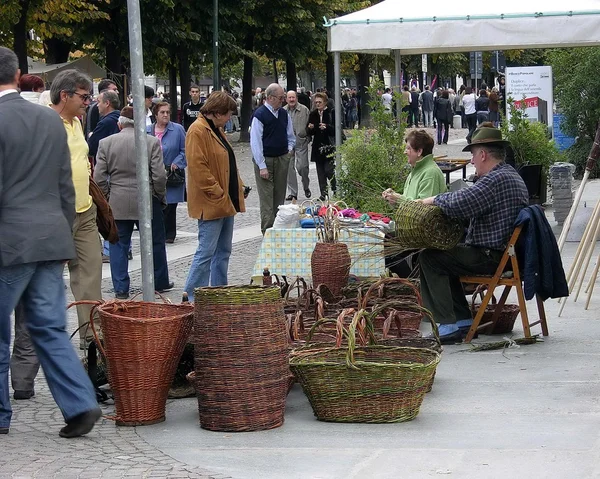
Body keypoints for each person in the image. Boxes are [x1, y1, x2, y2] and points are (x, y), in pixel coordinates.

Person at [0, 46, 101, 437]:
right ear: (19, 72)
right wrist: (58, 232)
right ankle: (79, 403)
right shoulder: (48, 121)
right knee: (49, 327)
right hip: (51, 236)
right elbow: (65, 186)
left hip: (11, 241)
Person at [418, 126, 529, 343]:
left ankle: (448, 324)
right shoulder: (509, 174)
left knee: (429, 257)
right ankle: (462, 321)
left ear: (483, 154)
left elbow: (463, 202)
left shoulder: (495, 180)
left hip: (491, 257)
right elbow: (471, 202)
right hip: (504, 255)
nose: (471, 162)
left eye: (472, 156)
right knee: (444, 255)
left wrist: (432, 200)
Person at [94, 106, 172, 298]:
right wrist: (159, 195)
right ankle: (159, 282)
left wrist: (107, 196)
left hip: (118, 200)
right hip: (146, 199)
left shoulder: (106, 143)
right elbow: (159, 175)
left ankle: (121, 288)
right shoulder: (151, 142)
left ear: (119, 124)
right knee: (155, 242)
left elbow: (99, 178)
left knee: (117, 244)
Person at [49, 69, 103, 350]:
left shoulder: (77, 123)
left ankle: (91, 336)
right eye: (83, 97)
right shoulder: (47, 123)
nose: (88, 102)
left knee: (91, 274)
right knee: (48, 280)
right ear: (64, 95)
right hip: (57, 213)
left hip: (85, 210)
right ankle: (49, 338)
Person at [183, 92, 247, 300]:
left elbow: (227, 162)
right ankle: (192, 297)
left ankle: (219, 293)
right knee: (206, 252)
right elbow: (197, 167)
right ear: (216, 113)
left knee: (223, 251)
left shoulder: (217, 129)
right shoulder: (197, 131)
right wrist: (217, 191)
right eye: (228, 114)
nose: (229, 118)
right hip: (212, 202)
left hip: (226, 201)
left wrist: (238, 186)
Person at [250, 83, 295, 233]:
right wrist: (261, 165)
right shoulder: (260, 115)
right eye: (281, 97)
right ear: (270, 98)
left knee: (279, 197)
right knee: (267, 199)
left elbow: (290, 136)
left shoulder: (283, 114)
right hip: (266, 160)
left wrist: (289, 151)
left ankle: (278, 230)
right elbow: (256, 142)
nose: (283, 100)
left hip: (282, 158)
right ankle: (268, 232)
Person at [148, 101, 187, 245]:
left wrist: (177, 162)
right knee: (155, 204)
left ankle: (169, 234)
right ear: (155, 114)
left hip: (171, 174)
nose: (165, 115)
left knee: (170, 205)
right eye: (162, 112)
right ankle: (157, 233)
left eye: (167, 112)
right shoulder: (147, 130)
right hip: (153, 175)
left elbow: (185, 150)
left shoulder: (177, 130)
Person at [307, 92, 336, 201]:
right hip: (317, 146)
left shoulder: (331, 112)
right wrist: (310, 128)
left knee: (329, 169)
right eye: (316, 102)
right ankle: (323, 193)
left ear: (325, 102)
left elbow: (336, 129)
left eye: (320, 102)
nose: (318, 104)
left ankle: (335, 187)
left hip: (328, 145)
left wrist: (327, 127)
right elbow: (310, 132)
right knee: (320, 172)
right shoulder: (313, 114)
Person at [284, 90, 311, 201]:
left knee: (302, 167)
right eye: (289, 98)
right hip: (287, 144)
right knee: (289, 168)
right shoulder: (282, 111)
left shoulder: (304, 110)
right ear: (286, 99)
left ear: (297, 98)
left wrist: (308, 138)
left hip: (301, 142)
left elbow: (310, 125)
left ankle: (306, 186)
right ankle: (293, 193)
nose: (291, 100)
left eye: (293, 97)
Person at [87, 89, 120, 159]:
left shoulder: (105, 123)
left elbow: (91, 147)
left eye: (99, 102)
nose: (97, 105)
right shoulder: (121, 118)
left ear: (107, 103)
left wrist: (91, 136)